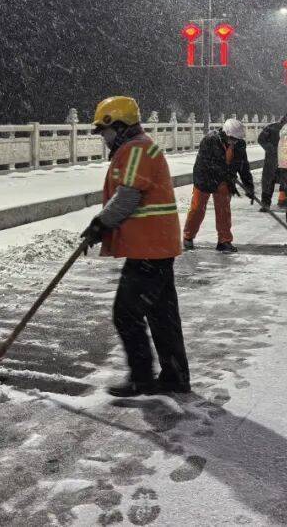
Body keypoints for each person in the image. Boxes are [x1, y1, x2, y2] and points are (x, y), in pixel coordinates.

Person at [81, 96, 189, 398]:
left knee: (125, 313)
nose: (104, 138)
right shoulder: (141, 147)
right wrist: (102, 225)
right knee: (162, 315)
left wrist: (100, 224)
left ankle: (142, 378)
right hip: (157, 246)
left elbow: (128, 197)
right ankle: (175, 377)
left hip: (149, 249)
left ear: (119, 125)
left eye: (105, 131)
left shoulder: (136, 150)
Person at [182, 118, 255, 252]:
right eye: (232, 139)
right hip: (205, 178)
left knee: (223, 210)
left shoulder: (239, 144)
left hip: (224, 180)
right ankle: (188, 236)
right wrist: (224, 171)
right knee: (197, 209)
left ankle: (224, 241)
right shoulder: (210, 140)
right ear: (225, 133)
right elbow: (205, 163)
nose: (234, 142)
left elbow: (243, 166)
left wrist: (249, 186)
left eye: (236, 139)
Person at [257, 113, 287, 212]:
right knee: (270, 182)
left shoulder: (273, 128)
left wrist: (271, 149)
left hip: (279, 160)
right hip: (275, 160)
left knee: (270, 182)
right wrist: (272, 149)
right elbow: (261, 139)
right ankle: (267, 204)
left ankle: (269, 203)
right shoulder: (272, 128)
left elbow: (261, 139)